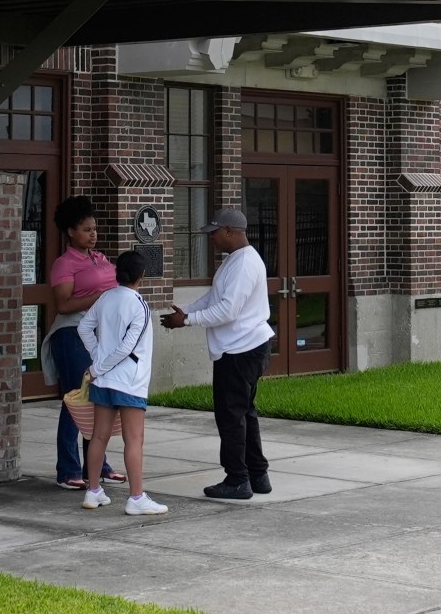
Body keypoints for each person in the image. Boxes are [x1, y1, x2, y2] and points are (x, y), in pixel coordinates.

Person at [162, 206, 275, 501]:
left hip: (241, 350)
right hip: (246, 347)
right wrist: (186, 311)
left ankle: (238, 479)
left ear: (229, 231)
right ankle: (257, 474)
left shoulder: (244, 264)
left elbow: (227, 311)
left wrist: (186, 321)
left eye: (214, 233)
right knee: (245, 413)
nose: (211, 239)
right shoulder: (235, 261)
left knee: (231, 416)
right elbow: (214, 298)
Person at [75, 250, 165, 516]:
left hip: (103, 380)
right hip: (130, 381)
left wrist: (97, 359)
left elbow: (83, 328)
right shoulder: (140, 304)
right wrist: (99, 364)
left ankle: (93, 491)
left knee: (97, 436)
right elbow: (129, 347)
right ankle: (136, 497)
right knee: (134, 440)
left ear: (117, 273)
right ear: (142, 275)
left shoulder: (105, 298)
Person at [45, 197, 124, 490]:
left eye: (94, 229)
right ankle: (67, 470)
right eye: (85, 229)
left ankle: (97, 467)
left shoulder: (99, 258)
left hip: (100, 337)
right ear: (70, 232)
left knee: (99, 399)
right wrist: (102, 295)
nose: (93, 234)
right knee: (76, 399)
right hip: (72, 334)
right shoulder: (64, 264)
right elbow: (63, 304)